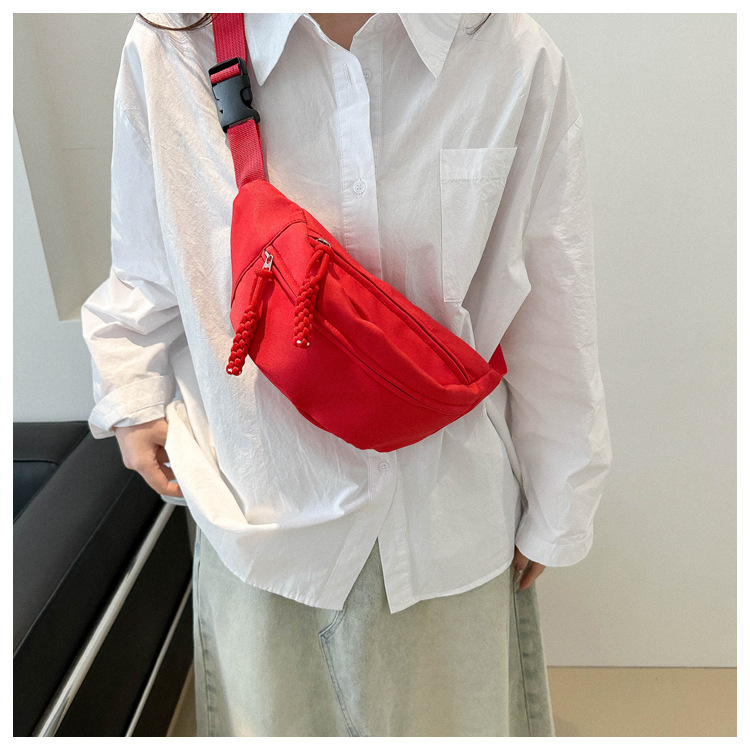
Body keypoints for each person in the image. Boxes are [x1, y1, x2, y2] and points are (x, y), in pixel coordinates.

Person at [81, 12, 612, 737]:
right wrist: (132, 392)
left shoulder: (510, 52)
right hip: (259, 513)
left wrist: (561, 498)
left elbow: (551, 294)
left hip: (447, 521)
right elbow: (145, 260)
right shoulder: (171, 45)